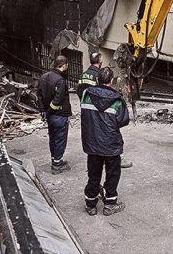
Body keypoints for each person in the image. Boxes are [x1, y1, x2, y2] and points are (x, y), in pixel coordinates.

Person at [81, 67, 130, 216]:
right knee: (112, 174)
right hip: (111, 144)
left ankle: (91, 204)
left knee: (94, 174)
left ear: (97, 80)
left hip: (92, 143)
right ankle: (110, 204)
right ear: (111, 81)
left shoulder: (86, 94)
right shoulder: (116, 99)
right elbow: (123, 121)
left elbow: (85, 115)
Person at [77, 53, 133, 169]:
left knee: (94, 173)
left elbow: (80, 91)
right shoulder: (100, 78)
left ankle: (95, 185)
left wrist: (86, 103)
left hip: (88, 106)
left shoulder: (84, 76)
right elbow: (123, 120)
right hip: (103, 110)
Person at [37, 55, 72, 174]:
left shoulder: (44, 77)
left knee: (53, 138)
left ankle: (54, 159)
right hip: (59, 115)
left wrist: (44, 111)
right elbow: (57, 100)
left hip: (50, 116)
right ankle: (57, 164)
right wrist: (49, 112)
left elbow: (39, 96)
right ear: (64, 65)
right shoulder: (60, 81)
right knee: (60, 139)